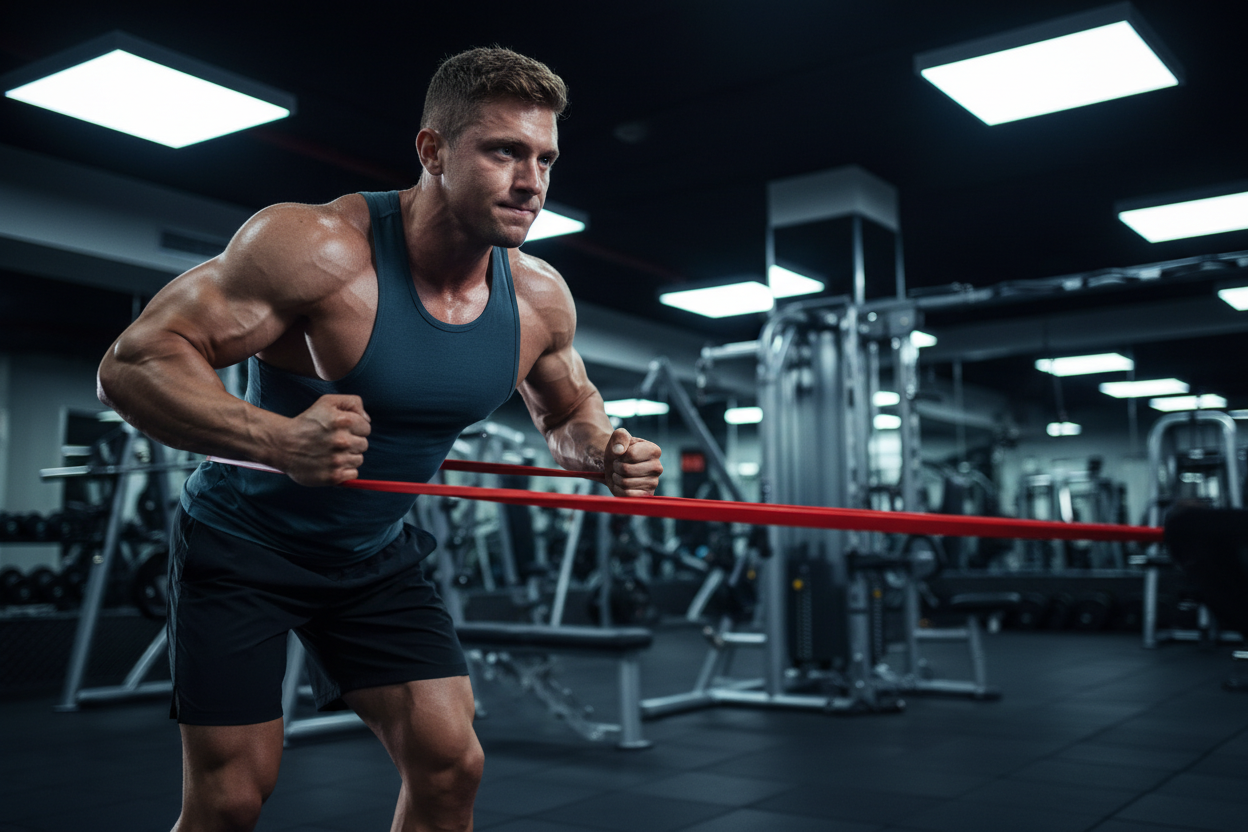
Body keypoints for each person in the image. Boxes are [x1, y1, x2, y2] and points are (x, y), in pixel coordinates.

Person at [97, 46, 663, 832]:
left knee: (451, 764)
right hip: (243, 545)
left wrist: (605, 450)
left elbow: (568, 413)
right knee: (230, 799)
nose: (530, 181)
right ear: (433, 150)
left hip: (372, 557)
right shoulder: (318, 249)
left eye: (544, 158)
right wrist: (278, 440)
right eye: (503, 151)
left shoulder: (537, 296)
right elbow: (133, 362)